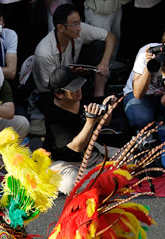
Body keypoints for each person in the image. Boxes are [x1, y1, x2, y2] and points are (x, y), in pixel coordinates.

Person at [43, 65, 118, 194]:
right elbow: (76, 146)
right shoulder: (53, 115)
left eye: (78, 85)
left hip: (91, 153)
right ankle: (103, 177)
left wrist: (108, 109)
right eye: (72, 88)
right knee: (71, 185)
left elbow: (105, 122)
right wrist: (90, 122)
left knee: (129, 159)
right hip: (66, 162)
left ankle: (100, 177)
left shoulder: (82, 95)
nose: (78, 90)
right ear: (59, 94)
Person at [33, 4, 116, 108]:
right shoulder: (44, 53)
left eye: (79, 22)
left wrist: (104, 62)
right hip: (54, 92)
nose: (79, 28)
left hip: (72, 76)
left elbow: (110, 37)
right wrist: (70, 75)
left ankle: (99, 93)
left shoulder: (78, 30)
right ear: (61, 27)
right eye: (75, 24)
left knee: (99, 45)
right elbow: (51, 87)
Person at [123, 26, 165, 137]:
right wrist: (149, 67)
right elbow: (138, 94)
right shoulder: (147, 52)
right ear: (163, 46)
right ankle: (146, 132)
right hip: (140, 96)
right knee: (141, 118)